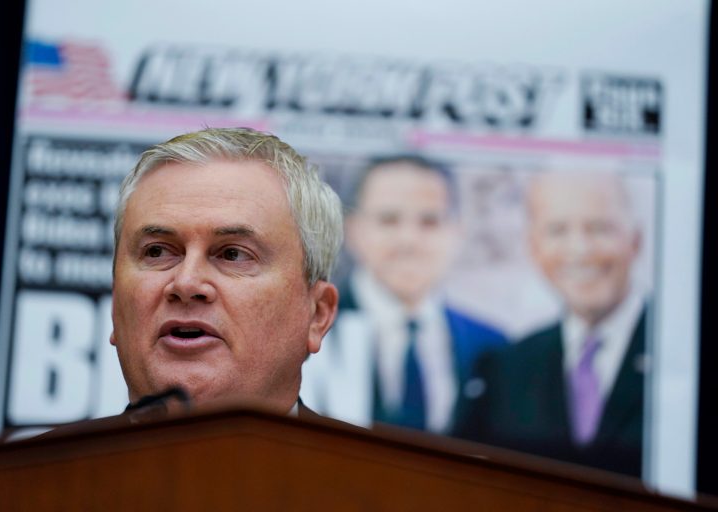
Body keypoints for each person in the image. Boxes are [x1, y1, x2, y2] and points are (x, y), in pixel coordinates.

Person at [91, 127, 343, 425]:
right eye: (157, 252)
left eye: (233, 254)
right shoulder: (37, 471)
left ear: (317, 315)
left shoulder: (375, 473)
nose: (186, 283)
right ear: (115, 302)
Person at [453, 170, 649, 476]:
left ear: (635, 240)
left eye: (599, 228)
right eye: (557, 230)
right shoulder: (505, 369)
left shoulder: (686, 356)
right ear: (534, 247)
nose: (580, 250)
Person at [300, 155, 506, 434]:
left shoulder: (493, 348)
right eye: (389, 220)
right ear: (354, 230)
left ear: (457, 231)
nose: (409, 239)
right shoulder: (305, 334)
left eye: (430, 221)